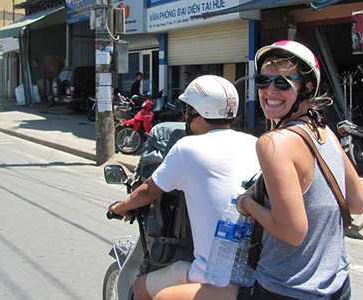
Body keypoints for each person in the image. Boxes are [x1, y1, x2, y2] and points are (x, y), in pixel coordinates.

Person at [233, 40, 363, 300]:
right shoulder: (326, 134)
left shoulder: (273, 142)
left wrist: (246, 204)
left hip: (287, 287)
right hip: (338, 283)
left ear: (306, 89)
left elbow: (293, 232)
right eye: (263, 81)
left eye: (282, 83)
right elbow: (358, 204)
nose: (269, 91)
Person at [111, 75, 260, 300]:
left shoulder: (187, 148)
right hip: (250, 272)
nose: (185, 116)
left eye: (187, 110)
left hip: (211, 277)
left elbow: (149, 190)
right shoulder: (254, 143)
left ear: (197, 113)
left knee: (141, 287)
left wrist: (120, 207)